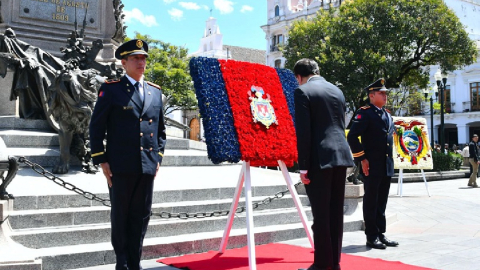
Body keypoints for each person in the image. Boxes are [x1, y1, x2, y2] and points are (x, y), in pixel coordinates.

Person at [89, 39, 166, 270]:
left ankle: (135, 262)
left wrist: (158, 158)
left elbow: (160, 131)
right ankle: (121, 262)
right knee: (121, 216)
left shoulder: (154, 92)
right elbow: (96, 127)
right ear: (124, 62)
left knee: (141, 216)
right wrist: (101, 159)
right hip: (120, 166)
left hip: (146, 166)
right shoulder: (111, 89)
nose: (141, 62)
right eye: (135, 58)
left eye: (143, 58)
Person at [294, 58, 354, 270]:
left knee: (321, 214)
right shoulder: (337, 90)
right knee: (335, 212)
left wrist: (303, 167)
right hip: (341, 156)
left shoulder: (303, 91)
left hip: (320, 158)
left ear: (299, 77)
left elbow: (304, 132)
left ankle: (322, 264)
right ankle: (334, 262)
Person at [347, 78, 398, 250]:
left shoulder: (387, 114)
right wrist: (362, 159)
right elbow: (352, 137)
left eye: (385, 93)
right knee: (371, 201)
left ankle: (380, 233)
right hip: (372, 165)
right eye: (381, 93)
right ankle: (371, 236)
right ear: (372, 95)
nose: (385, 96)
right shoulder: (365, 112)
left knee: (381, 201)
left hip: (386, 165)